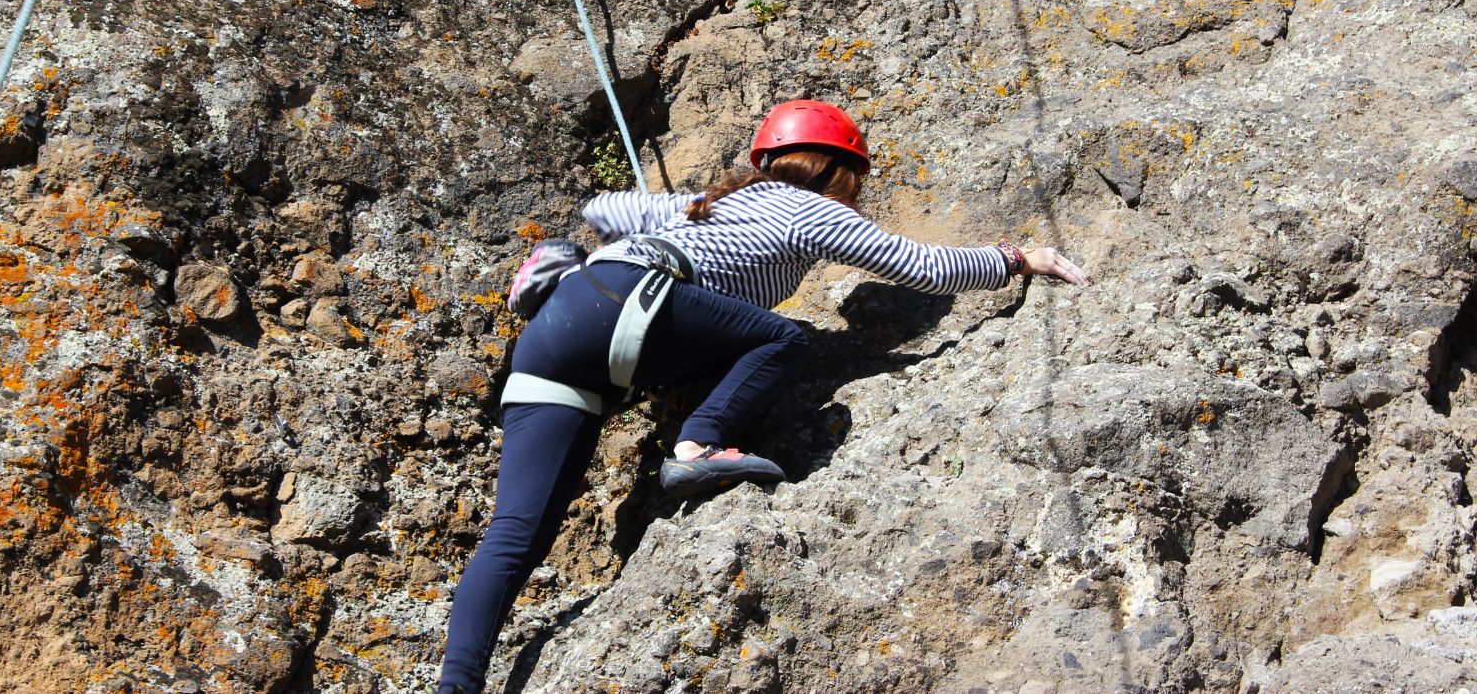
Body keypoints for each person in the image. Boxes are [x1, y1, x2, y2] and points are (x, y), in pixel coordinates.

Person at [436, 99, 1089, 692]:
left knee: (515, 537)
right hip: (635, 307)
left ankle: (456, 686)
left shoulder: (702, 206)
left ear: (769, 160)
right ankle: (699, 441)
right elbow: (918, 266)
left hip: (560, 335)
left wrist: (673, 211)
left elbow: (602, 208)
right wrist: (1013, 258)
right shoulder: (810, 210)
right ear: (838, 171)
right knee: (783, 338)